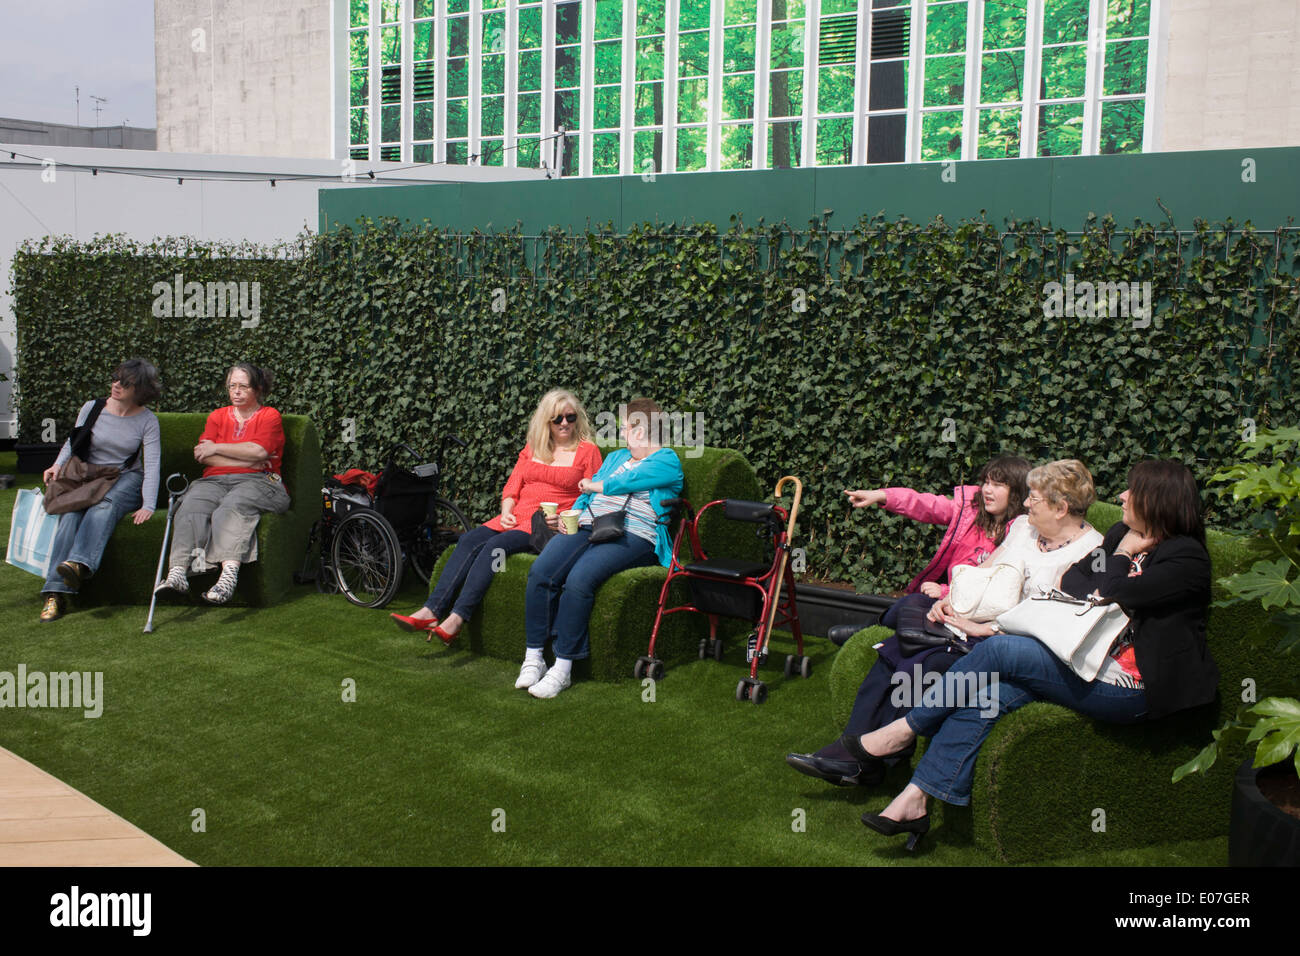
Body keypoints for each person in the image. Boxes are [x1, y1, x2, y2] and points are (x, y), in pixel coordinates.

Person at [851, 460, 1216, 849]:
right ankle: (915, 800)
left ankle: (905, 728)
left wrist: (1123, 556)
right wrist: (1118, 557)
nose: (1122, 496)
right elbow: (1074, 580)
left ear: (1157, 500)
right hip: (1082, 661)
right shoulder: (1121, 533)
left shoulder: (1185, 558)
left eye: (1132, 491)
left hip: (1133, 689)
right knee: (991, 698)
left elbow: (1113, 589)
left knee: (1002, 648)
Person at [786, 455, 1032, 785]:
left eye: (998, 484)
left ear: (1017, 492)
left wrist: (945, 590)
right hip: (949, 613)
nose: (987, 489)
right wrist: (880, 496)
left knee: (906, 642)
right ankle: (856, 757)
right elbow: (925, 505)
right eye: (986, 480)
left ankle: (861, 760)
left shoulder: (1023, 533)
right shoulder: (970, 511)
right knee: (900, 639)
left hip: (974, 628)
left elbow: (1003, 586)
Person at [391, 389, 602, 644]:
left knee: (494, 547)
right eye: (558, 419)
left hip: (543, 523)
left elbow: (593, 496)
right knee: (468, 541)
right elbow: (513, 486)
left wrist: (569, 517)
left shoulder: (587, 451)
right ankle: (431, 610)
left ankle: (458, 617)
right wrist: (505, 511)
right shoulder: (534, 447)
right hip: (515, 516)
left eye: (570, 417)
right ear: (546, 421)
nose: (565, 424)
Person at [518, 397, 684, 699]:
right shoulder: (616, 458)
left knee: (579, 579)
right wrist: (571, 515)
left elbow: (633, 479)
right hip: (587, 525)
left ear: (641, 429)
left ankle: (563, 668)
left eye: (626, 427)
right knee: (542, 571)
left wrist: (598, 486)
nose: (621, 432)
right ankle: (534, 658)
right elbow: (587, 495)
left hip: (635, 535)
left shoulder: (667, 460)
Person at [38, 359, 163, 622]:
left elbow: (151, 464)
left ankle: (79, 564)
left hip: (125, 477)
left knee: (104, 505)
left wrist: (148, 504)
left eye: (124, 383)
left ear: (139, 389)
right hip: (87, 474)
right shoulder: (92, 408)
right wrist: (57, 465)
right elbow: (74, 442)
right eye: (115, 378)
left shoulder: (147, 420)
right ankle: (55, 594)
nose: (116, 385)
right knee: (70, 515)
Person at [156, 363, 290, 604]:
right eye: (232, 386)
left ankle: (228, 578)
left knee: (231, 506)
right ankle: (178, 573)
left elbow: (258, 451)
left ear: (258, 388)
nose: (236, 391)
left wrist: (217, 447)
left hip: (261, 481)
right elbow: (202, 455)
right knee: (190, 506)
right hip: (215, 480)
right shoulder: (217, 416)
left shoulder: (270, 415)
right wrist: (245, 459)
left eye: (243, 386)